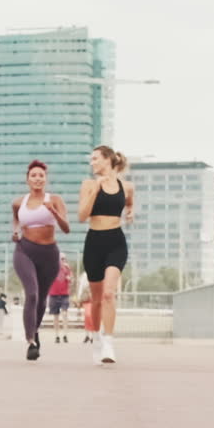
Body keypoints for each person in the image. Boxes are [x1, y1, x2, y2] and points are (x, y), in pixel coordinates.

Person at [78, 146, 133, 365]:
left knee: (109, 293)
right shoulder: (88, 184)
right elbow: (82, 216)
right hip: (94, 242)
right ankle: (97, 339)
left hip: (116, 242)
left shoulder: (126, 186)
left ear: (108, 160)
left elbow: (129, 201)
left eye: (95, 159)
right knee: (97, 299)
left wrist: (131, 211)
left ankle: (108, 341)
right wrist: (96, 190)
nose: (92, 163)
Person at [12, 160, 70, 361]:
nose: (37, 179)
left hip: (49, 254)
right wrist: (15, 231)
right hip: (25, 250)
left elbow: (66, 228)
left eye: (41, 176)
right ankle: (30, 341)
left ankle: (34, 332)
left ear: (45, 179)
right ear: (27, 179)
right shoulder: (19, 202)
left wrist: (53, 211)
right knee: (32, 294)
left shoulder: (54, 199)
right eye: (33, 175)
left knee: (42, 299)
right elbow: (16, 219)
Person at [48, 253, 73, 343]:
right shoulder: (52, 268)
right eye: (61, 259)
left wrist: (69, 278)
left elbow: (71, 280)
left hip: (64, 294)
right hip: (54, 294)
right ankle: (57, 335)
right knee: (56, 316)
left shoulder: (67, 268)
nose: (63, 261)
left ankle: (65, 334)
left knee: (65, 314)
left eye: (64, 259)